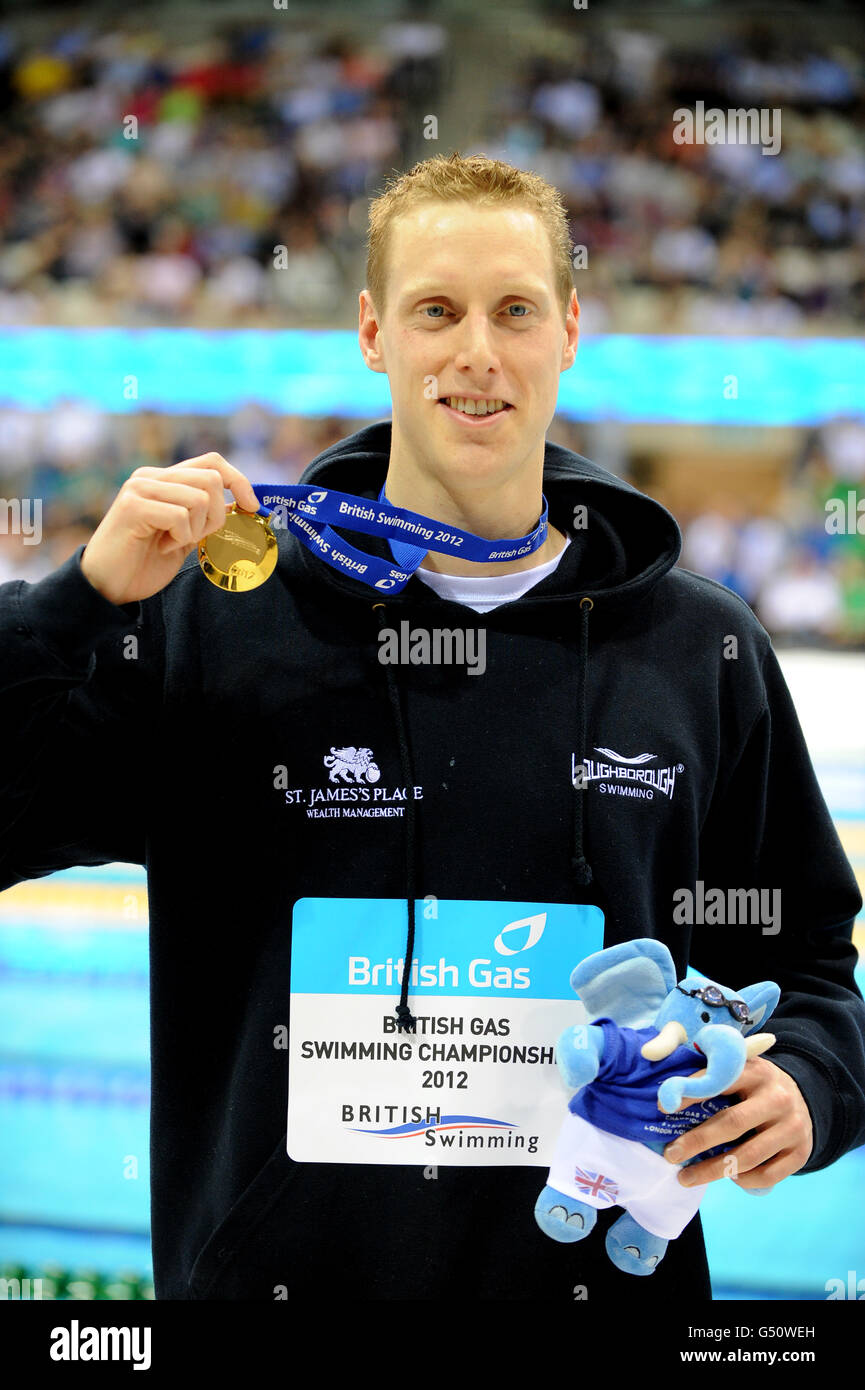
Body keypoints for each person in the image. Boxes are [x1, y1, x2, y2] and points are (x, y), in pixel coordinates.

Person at [1, 152, 863, 1302]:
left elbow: (806, 961)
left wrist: (810, 1079)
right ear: (372, 334)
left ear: (567, 330)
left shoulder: (694, 647)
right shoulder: (218, 619)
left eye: (513, 310)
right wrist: (75, 606)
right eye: (435, 311)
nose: (476, 352)